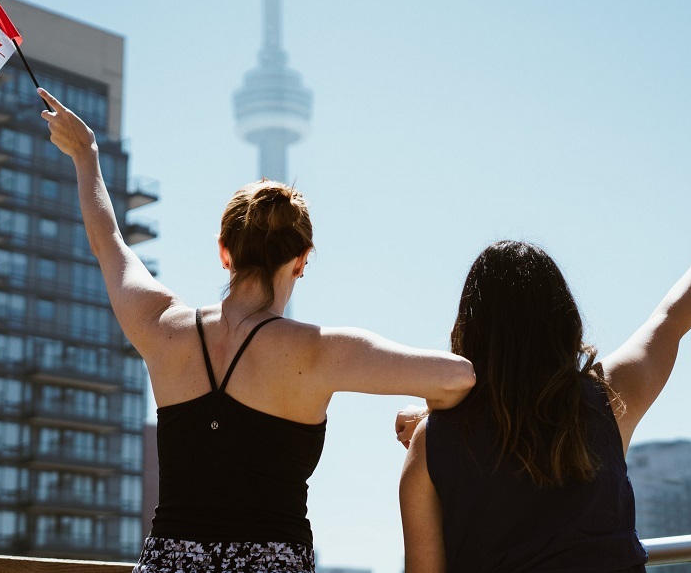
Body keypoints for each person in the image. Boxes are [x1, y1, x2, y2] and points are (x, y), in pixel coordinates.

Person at [38, 88, 476, 573]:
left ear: (224, 251)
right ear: (302, 261)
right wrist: (426, 421)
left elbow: (109, 245)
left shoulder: (163, 327)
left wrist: (86, 154)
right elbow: (458, 377)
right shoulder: (319, 352)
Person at [396, 210, 691, 573]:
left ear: (468, 329)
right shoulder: (608, 399)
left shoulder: (431, 444)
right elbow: (669, 321)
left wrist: (433, 425)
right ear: (563, 319)